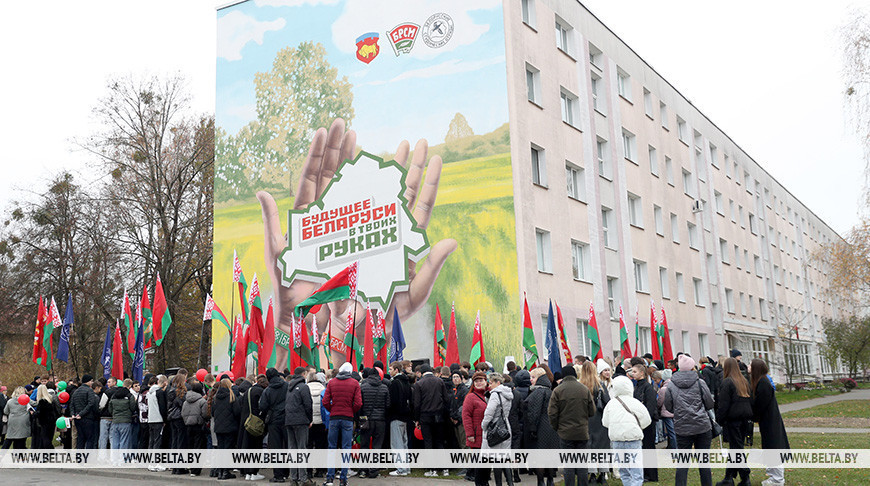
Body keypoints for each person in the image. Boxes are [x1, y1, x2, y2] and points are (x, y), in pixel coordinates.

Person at [665, 354, 715, 486]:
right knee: (704, 461)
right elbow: (710, 403)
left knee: (683, 462)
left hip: (682, 427)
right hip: (702, 425)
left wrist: (680, 411)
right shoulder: (700, 382)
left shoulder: (671, 385)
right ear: (692, 366)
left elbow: (668, 406)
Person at [548, 365, 594, 486]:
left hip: (565, 432)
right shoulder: (584, 389)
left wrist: (556, 427)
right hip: (582, 432)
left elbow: (552, 413)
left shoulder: (557, 390)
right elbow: (592, 411)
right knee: (582, 464)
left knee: (569, 465)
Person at [601, 376, 651, 486]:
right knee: (636, 470)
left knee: (623, 470)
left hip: (617, 440)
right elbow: (647, 419)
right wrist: (637, 426)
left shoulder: (611, 404)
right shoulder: (635, 402)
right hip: (633, 438)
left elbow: (605, 422)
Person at [750, 358, 789, 486]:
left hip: (770, 421)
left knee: (774, 447)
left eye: (750, 365)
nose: (748, 367)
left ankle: (778, 479)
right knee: (770, 446)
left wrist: (753, 415)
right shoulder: (762, 381)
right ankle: (773, 475)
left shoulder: (763, 383)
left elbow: (761, 404)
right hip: (767, 421)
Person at [323, 361, 363, 486]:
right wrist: (350, 411)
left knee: (332, 448)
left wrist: (332, 409)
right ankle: (343, 479)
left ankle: (329, 478)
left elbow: (325, 401)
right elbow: (358, 403)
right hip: (347, 418)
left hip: (334, 418)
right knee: (346, 448)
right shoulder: (355, 383)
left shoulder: (332, 382)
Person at [715, 358, 753, 486]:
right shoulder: (744, 381)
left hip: (733, 419)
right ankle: (729, 477)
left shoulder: (727, 382)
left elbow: (723, 404)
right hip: (744, 418)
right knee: (736, 448)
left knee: (737, 449)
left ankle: (744, 475)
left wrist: (719, 419)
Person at [413, 364, 450, 478]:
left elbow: (417, 404)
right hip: (439, 416)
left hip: (425, 417)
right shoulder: (440, 382)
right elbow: (446, 399)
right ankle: (445, 468)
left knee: (428, 442)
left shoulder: (419, 384)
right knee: (439, 442)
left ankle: (432, 469)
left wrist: (417, 419)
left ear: (422, 372)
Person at [524, 368, 558, 486]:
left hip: (540, 428)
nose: (531, 380)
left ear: (539, 378)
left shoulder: (538, 392)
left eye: (533, 377)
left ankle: (540, 482)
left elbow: (535, 412)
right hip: (552, 428)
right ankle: (550, 480)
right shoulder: (550, 391)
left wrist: (532, 428)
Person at [481, 373, 513, 486]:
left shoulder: (495, 394)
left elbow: (489, 413)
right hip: (505, 426)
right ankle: (510, 483)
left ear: (497, 383)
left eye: (491, 383)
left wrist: (484, 426)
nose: (489, 385)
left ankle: (499, 483)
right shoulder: (508, 393)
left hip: (495, 428)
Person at [282, 367, 313, 484]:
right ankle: (303, 478)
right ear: (304, 374)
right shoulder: (304, 387)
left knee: (292, 449)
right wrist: (309, 419)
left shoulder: (289, 387)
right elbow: (308, 405)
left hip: (289, 420)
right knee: (302, 449)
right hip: (301, 421)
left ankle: (294, 477)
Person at [580, 361, 609, 485]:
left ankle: (592, 474)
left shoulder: (580, 386)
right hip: (600, 419)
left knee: (589, 448)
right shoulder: (600, 385)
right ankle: (603, 474)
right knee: (602, 448)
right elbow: (608, 402)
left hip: (585, 420)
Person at [629, 363, 658, 483]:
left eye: (635, 372)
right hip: (639, 422)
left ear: (642, 373)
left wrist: (644, 420)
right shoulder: (637, 386)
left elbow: (650, 406)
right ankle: (645, 472)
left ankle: (651, 474)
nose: (632, 374)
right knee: (642, 448)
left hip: (647, 423)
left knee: (648, 448)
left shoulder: (647, 387)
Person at [260, 367, 289, 483]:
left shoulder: (267, 390)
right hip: (287, 419)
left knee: (276, 448)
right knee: (286, 446)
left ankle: (278, 475)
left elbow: (262, 406)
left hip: (273, 421)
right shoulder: (287, 386)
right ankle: (287, 472)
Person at [359, 367, 389, 479]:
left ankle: (363, 470)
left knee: (364, 445)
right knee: (377, 446)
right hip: (380, 420)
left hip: (366, 419)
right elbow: (388, 405)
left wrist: (361, 419)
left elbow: (359, 405)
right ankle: (373, 471)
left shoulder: (363, 387)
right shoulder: (384, 388)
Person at [462, 371, 489, 486]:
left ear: (486, 381)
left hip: (488, 436)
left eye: (481, 380)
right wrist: (470, 434)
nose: (478, 383)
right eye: (476, 381)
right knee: (479, 463)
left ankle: (485, 482)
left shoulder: (490, 395)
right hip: (476, 435)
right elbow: (466, 416)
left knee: (487, 463)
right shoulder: (470, 397)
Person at [239, 374, 267, 481]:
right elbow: (263, 407)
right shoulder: (260, 392)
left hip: (246, 422)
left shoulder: (248, 391)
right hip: (256, 423)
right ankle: (254, 472)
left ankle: (247, 473)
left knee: (247, 447)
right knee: (256, 447)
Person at [211, 377, 239, 480]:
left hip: (219, 427)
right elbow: (237, 412)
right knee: (228, 449)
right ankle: (226, 471)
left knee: (220, 449)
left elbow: (213, 412)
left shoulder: (216, 398)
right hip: (230, 427)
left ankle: (220, 471)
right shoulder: (232, 397)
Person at [388, 361, 413, 477]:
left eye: (391, 369)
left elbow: (392, 401)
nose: (389, 371)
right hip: (405, 416)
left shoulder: (394, 384)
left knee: (397, 444)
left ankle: (401, 468)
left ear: (396, 370)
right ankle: (406, 467)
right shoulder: (407, 382)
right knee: (404, 443)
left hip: (396, 416)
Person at [181, 380, 209, 477]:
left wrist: (187, 421)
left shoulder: (186, 401)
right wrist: (201, 420)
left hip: (188, 426)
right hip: (198, 426)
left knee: (191, 447)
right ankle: (196, 469)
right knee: (198, 447)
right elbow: (205, 414)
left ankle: (191, 466)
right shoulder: (202, 401)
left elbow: (183, 413)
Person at [146, 375, 169, 471]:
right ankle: (156, 463)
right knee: (157, 441)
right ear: (164, 383)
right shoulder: (160, 392)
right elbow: (162, 407)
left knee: (151, 441)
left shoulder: (149, 392)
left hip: (150, 419)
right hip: (158, 419)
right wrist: (165, 419)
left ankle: (150, 463)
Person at [70, 375, 99, 449]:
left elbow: (71, 404)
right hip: (87, 418)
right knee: (90, 439)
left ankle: (79, 458)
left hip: (77, 419)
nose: (92, 383)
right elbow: (91, 404)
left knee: (80, 438)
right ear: (88, 381)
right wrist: (82, 414)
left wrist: (73, 414)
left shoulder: (76, 391)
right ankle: (88, 457)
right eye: (91, 381)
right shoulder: (89, 391)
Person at [308, 372, 327, 479]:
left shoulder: (305, 389)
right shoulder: (323, 389)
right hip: (320, 422)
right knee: (320, 447)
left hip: (309, 423)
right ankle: (319, 471)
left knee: (309, 446)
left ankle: (309, 471)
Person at [108, 385, 137, 450]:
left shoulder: (113, 397)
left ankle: (115, 458)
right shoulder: (130, 396)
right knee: (124, 441)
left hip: (115, 421)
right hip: (126, 421)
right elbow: (133, 408)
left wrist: (114, 414)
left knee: (115, 441)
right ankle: (122, 458)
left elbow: (110, 409)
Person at [31, 384, 60, 449]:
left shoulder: (42, 401)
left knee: (45, 439)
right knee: (49, 438)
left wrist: (33, 414)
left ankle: (50, 452)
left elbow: (40, 412)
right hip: (51, 421)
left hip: (44, 422)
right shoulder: (50, 399)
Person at [656, 369, 677, 449]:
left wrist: (658, 409)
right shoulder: (675, 386)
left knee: (671, 433)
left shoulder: (663, 389)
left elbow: (660, 402)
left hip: (666, 413)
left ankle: (674, 449)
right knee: (675, 431)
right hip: (675, 412)